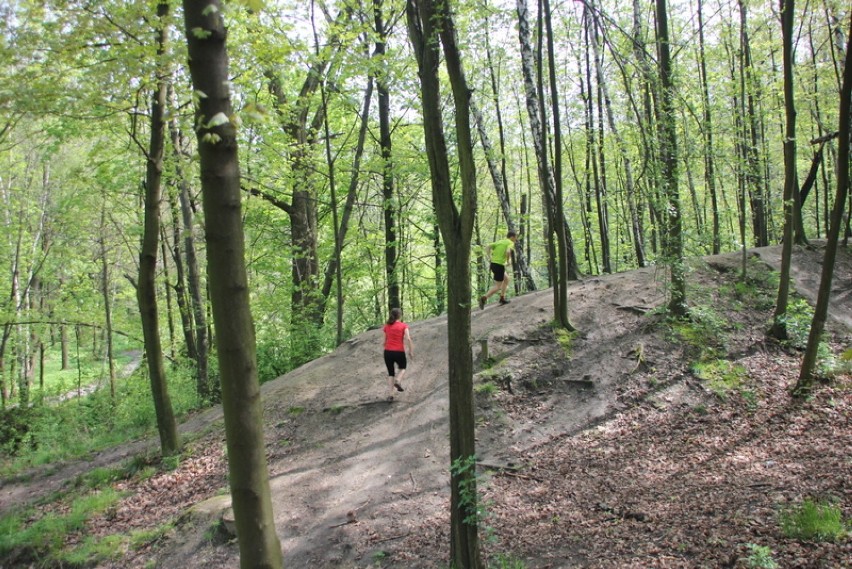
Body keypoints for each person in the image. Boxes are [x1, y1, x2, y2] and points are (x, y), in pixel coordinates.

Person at [479, 230, 518, 309]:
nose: (515, 239)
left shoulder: (500, 241)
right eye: (515, 238)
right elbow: (507, 252)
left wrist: (489, 257)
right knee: (497, 286)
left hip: (493, 264)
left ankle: (502, 298)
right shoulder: (510, 243)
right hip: (499, 265)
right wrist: (508, 261)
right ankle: (484, 298)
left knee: (506, 279)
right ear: (512, 237)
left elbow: (488, 247)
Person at [382, 307, 414, 400]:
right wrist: (411, 351)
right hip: (399, 351)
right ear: (400, 315)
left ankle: (391, 395)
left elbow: (384, 341)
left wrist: (386, 345)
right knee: (403, 367)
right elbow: (408, 338)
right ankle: (398, 380)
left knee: (390, 373)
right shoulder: (404, 326)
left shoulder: (387, 326)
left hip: (387, 352)